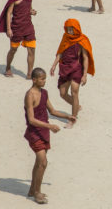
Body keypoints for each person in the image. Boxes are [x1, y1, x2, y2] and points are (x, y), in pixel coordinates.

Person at [24, 68, 76, 205]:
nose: (44, 81)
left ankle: (32, 189)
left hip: (44, 132)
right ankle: (37, 193)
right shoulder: (30, 95)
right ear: (34, 80)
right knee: (43, 162)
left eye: (45, 78)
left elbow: (52, 111)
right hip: (34, 132)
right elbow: (31, 119)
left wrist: (67, 116)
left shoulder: (44, 93)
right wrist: (50, 126)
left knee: (39, 162)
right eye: (42, 79)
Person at [49, 19, 94, 125]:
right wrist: (54, 65)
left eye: (71, 29)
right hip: (65, 68)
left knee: (74, 92)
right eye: (68, 29)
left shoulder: (82, 40)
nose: (69, 31)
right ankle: (77, 106)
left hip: (76, 69)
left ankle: (72, 118)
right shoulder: (65, 37)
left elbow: (85, 58)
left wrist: (84, 75)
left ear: (76, 29)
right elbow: (60, 52)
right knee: (63, 93)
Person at [0, 0, 37, 79]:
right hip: (17, 28)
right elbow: (9, 13)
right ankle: (8, 68)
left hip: (28, 27)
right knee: (13, 49)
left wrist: (32, 12)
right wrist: (8, 29)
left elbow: (29, 9)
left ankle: (29, 73)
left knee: (32, 50)